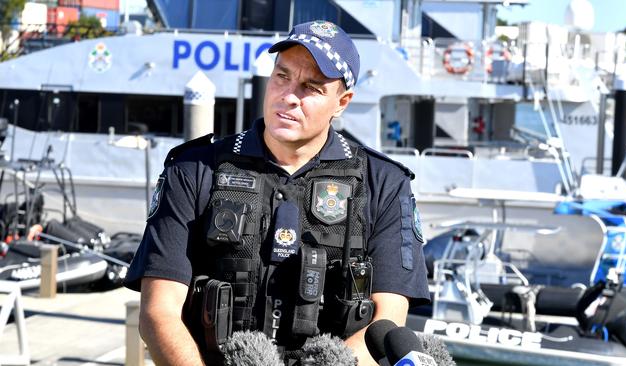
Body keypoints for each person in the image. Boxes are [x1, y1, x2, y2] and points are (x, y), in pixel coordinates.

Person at [124, 20, 430, 366]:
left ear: (342, 102)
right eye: (282, 77)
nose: (288, 97)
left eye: (311, 88)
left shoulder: (384, 184)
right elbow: (158, 312)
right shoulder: (195, 169)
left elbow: (386, 323)